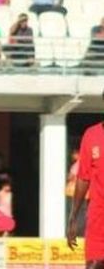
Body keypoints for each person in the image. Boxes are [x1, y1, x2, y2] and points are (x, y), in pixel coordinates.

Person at [68, 113, 104, 267]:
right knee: (94, 264)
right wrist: (73, 217)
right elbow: (83, 178)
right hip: (98, 216)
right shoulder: (91, 135)